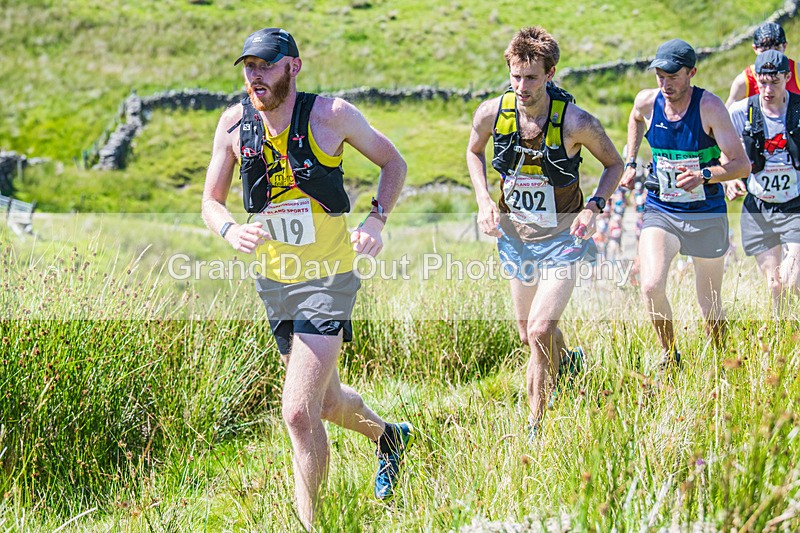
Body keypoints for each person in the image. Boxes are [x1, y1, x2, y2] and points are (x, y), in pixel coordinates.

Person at [201, 28, 413, 530]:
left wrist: (376, 221)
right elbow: (211, 201)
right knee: (328, 402)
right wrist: (230, 229)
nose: (255, 76)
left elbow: (393, 161)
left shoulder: (330, 115)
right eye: (248, 66)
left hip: (329, 277)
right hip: (276, 282)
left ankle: (311, 525)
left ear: (293, 66)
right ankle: (390, 437)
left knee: (297, 412)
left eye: (266, 65)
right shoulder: (233, 125)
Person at [466, 26, 623, 435]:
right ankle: (568, 363)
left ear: (551, 73)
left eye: (531, 77)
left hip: (563, 238)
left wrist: (594, 207)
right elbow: (473, 151)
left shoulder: (576, 122)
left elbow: (615, 165)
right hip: (517, 240)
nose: (521, 86)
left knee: (539, 330)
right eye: (515, 76)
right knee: (527, 334)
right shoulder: (490, 113)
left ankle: (535, 425)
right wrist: (484, 200)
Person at [620, 39, 750, 369]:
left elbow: (741, 165)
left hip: (706, 211)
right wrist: (631, 161)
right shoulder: (648, 102)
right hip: (662, 208)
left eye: (673, 76)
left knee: (710, 302)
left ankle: (723, 362)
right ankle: (669, 354)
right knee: (650, 286)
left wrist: (704, 175)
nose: (665, 83)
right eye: (660, 76)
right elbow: (635, 118)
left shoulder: (710, 108)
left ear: (691, 73)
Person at [726, 50, 800, 314]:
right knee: (775, 286)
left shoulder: (799, 110)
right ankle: (783, 335)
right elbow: (722, 147)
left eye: (775, 82)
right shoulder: (739, 113)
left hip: (796, 204)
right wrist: (728, 179)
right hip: (759, 207)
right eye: (762, 82)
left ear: (788, 77)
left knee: (793, 282)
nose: (768, 89)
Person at [726, 22, 799, 107]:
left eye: (776, 49)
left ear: (785, 46)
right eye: (764, 51)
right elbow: (725, 116)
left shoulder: (798, 72)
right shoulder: (744, 82)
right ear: (755, 49)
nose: (770, 56)